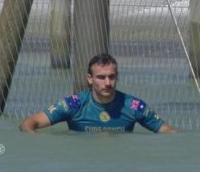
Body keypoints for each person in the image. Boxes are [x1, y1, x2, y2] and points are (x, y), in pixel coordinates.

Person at [19, 53, 176, 134]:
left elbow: (167, 131)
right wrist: (34, 140)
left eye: (112, 77)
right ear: (90, 79)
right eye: (101, 77)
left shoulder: (134, 106)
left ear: (117, 77)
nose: (107, 83)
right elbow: (29, 122)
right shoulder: (73, 104)